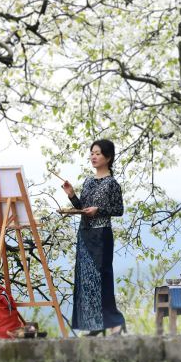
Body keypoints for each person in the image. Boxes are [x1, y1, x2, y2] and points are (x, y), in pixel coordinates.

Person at [61, 139, 127, 336]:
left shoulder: (112, 184)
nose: (93, 156)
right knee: (86, 281)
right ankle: (95, 325)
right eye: (92, 153)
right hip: (85, 234)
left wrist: (99, 210)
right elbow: (83, 208)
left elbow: (119, 210)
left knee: (102, 279)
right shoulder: (88, 181)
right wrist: (72, 195)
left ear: (108, 157)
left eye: (98, 153)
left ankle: (116, 321)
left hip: (102, 235)